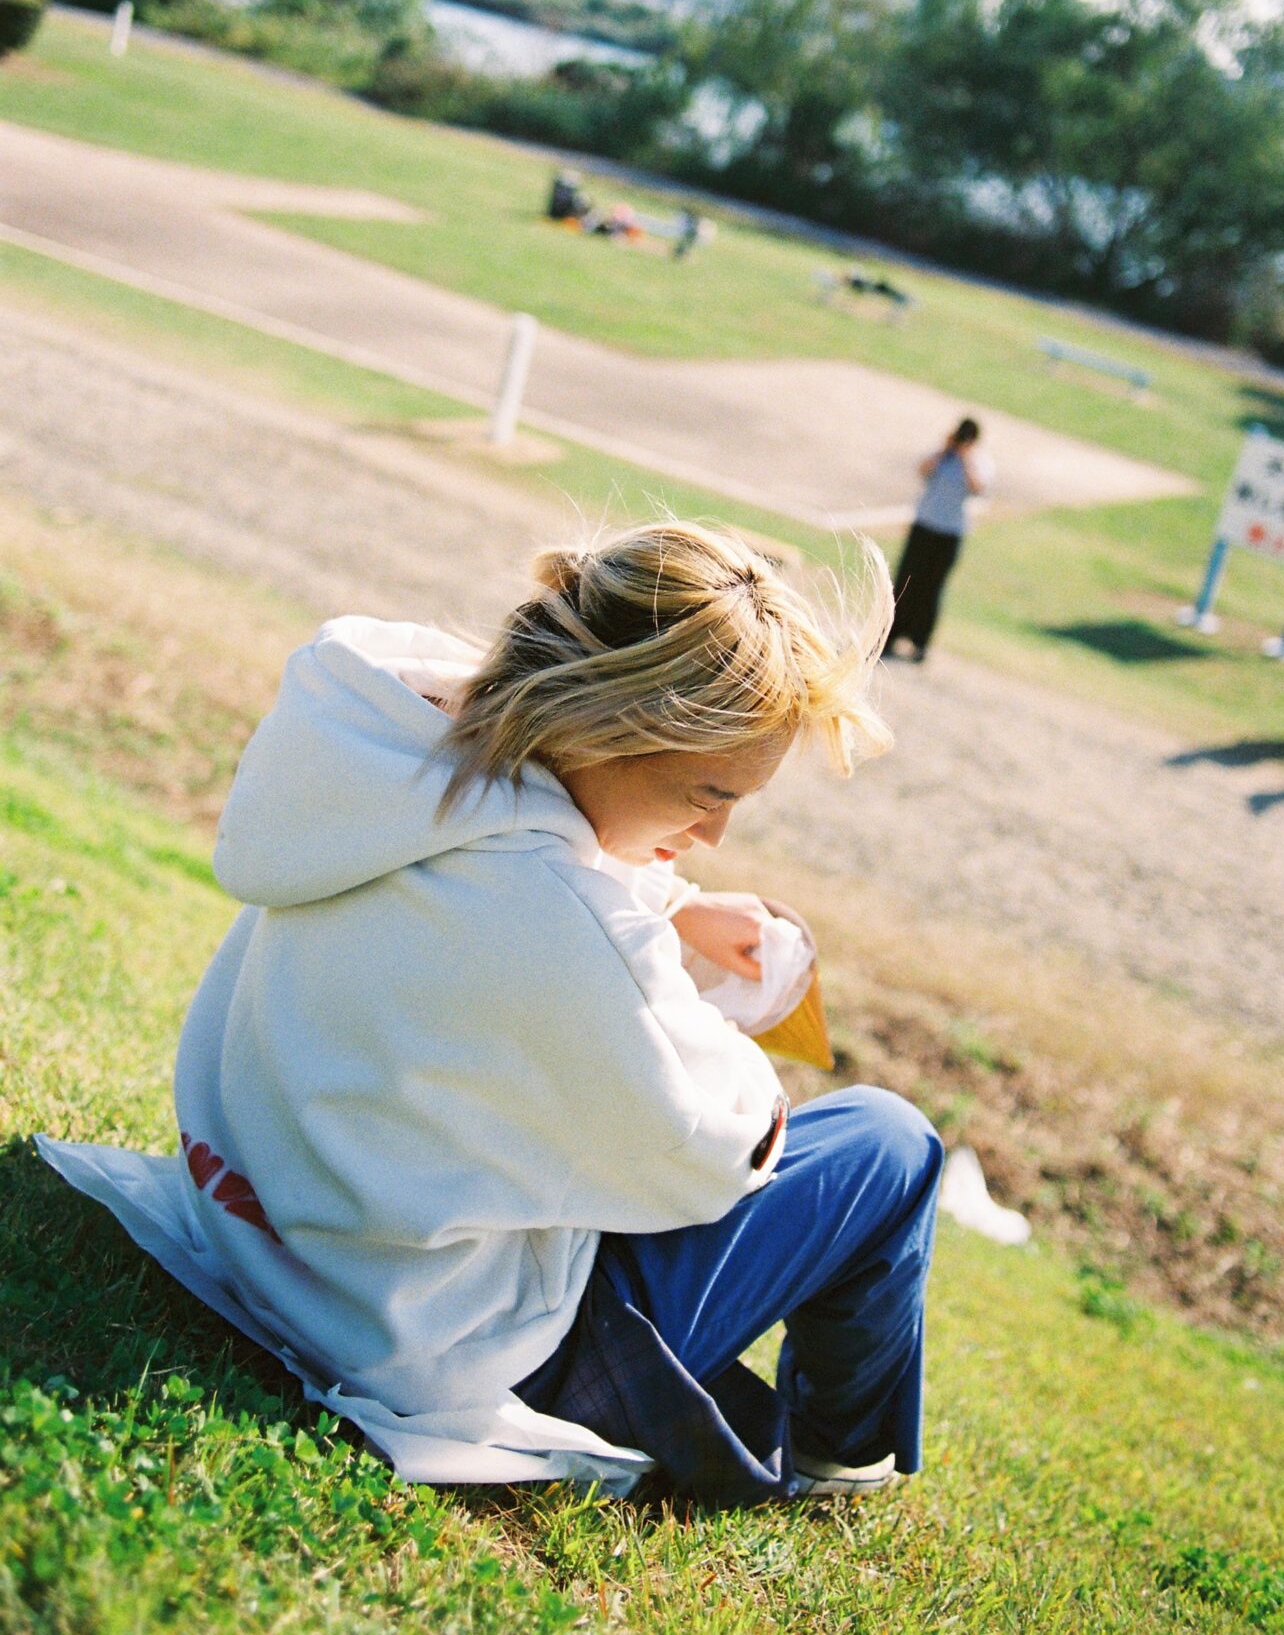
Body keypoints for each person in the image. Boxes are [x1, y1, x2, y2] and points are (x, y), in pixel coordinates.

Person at [39, 522, 943, 1508]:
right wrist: (705, 994)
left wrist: (669, 905)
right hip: (425, 1340)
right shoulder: (566, 927)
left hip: (259, 1231)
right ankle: (841, 1461)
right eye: (708, 791)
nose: (715, 832)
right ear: (610, 724)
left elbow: (518, 877)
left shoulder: (377, 755)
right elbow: (716, 1151)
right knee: (886, 1143)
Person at [885, 418, 994, 664]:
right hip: (925, 525)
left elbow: (978, 488)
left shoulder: (980, 461)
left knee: (932, 588)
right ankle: (891, 635)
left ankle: (919, 641)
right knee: (906, 582)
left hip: (950, 533)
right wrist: (945, 450)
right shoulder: (943, 454)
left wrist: (965, 458)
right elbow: (923, 470)